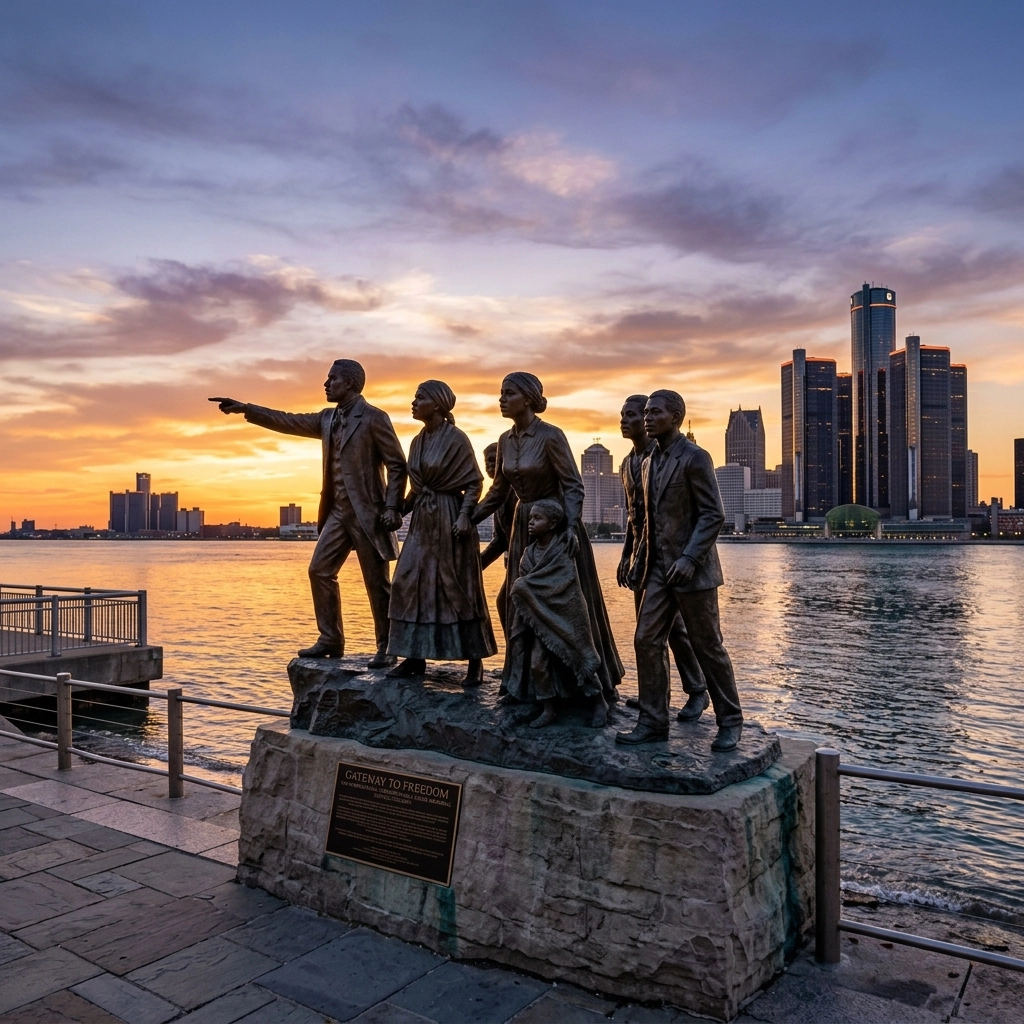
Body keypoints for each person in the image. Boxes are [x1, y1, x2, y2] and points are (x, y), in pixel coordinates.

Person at [211, 359, 406, 668]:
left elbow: (398, 464)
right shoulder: (327, 419)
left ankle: (387, 645)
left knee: (377, 583)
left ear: (350, 384)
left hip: (368, 513)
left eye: (332, 379)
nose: (326, 384)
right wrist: (246, 409)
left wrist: (393, 506)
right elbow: (287, 421)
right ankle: (331, 639)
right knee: (319, 570)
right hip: (338, 513)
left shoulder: (373, 418)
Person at [472, 371, 624, 702]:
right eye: (501, 393)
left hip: (555, 526)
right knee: (519, 605)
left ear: (528, 399)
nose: (501, 399)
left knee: (568, 608)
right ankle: (521, 684)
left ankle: (582, 686)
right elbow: (498, 491)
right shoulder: (504, 440)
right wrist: (468, 518)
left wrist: (569, 525)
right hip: (522, 525)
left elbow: (572, 484)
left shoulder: (551, 436)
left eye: (508, 393)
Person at [617, 389, 744, 752]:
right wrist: (635, 556)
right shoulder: (645, 461)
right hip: (658, 570)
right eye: (646, 413)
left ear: (675, 417)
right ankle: (653, 721)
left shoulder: (695, 457)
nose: (647, 418)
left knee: (708, 646)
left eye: (655, 412)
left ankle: (731, 720)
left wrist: (689, 558)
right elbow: (643, 518)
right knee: (646, 640)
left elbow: (712, 514)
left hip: (693, 570)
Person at [386, 381, 497, 686]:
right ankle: (413, 656)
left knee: (459, 589)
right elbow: (415, 490)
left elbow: (475, 482)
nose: (413, 402)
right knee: (406, 583)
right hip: (422, 521)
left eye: (419, 397)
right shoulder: (417, 441)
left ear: (436, 405)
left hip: (451, 523)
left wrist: (464, 517)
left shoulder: (456, 439)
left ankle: (475, 661)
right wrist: (396, 511)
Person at [617, 394, 709, 721]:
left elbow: (704, 513)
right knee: (647, 632)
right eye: (625, 415)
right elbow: (633, 517)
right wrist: (627, 555)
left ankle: (697, 690)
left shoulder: (670, 458)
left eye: (632, 415)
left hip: (670, 554)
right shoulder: (630, 464)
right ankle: (652, 699)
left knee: (676, 630)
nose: (626, 421)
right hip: (644, 555)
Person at [506, 500, 607, 728]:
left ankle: (600, 701)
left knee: (581, 657)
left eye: (537, 519)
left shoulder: (564, 548)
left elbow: (564, 580)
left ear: (552, 524)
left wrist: (525, 586)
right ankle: (548, 708)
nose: (530, 523)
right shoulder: (528, 554)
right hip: (542, 618)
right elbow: (528, 583)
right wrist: (526, 588)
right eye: (530, 518)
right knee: (537, 664)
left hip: (568, 613)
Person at [479, 441, 517, 636]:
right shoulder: (498, 495)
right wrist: (478, 563)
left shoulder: (517, 491)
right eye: (486, 461)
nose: (490, 466)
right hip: (513, 564)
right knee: (505, 604)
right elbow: (500, 540)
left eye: (494, 460)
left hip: (528, 563)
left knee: (506, 603)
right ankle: (514, 655)